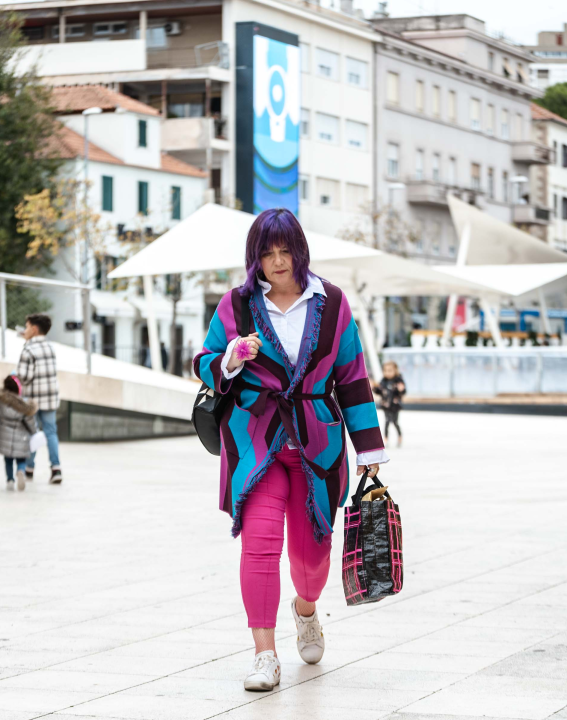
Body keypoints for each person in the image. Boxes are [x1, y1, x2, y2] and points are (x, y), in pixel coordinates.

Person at [193, 208, 389, 692]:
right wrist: (232, 357)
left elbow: (352, 377)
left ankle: (306, 611)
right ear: (254, 258)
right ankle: (264, 655)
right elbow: (203, 362)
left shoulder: (334, 303)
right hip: (255, 439)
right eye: (266, 253)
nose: (277, 262)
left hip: (316, 442)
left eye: (285, 251)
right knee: (259, 544)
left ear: (299, 251)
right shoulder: (235, 305)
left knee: (311, 559)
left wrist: (368, 446)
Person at [17, 313, 63, 484]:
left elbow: (24, 377)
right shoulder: (50, 347)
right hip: (50, 398)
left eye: (27, 326)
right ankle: (56, 469)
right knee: (51, 432)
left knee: (31, 432)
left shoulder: (28, 349)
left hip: (33, 400)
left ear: (34, 329)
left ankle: (29, 468)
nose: (25, 330)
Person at [0, 374, 38, 492]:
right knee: (21, 459)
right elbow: (31, 422)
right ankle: (21, 471)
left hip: (4, 437)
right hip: (21, 439)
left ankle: (10, 480)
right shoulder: (24, 406)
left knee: (8, 460)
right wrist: (34, 432)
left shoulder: (0, 402)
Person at [375, 361, 406, 447]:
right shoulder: (383, 381)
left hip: (395, 405)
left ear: (395, 370)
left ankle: (399, 436)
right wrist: (374, 388)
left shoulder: (398, 380)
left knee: (395, 422)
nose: (387, 373)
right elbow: (379, 391)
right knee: (387, 421)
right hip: (386, 405)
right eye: (385, 371)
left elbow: (403, 392)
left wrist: (401, 390)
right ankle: (386, 438)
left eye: (390, 370)